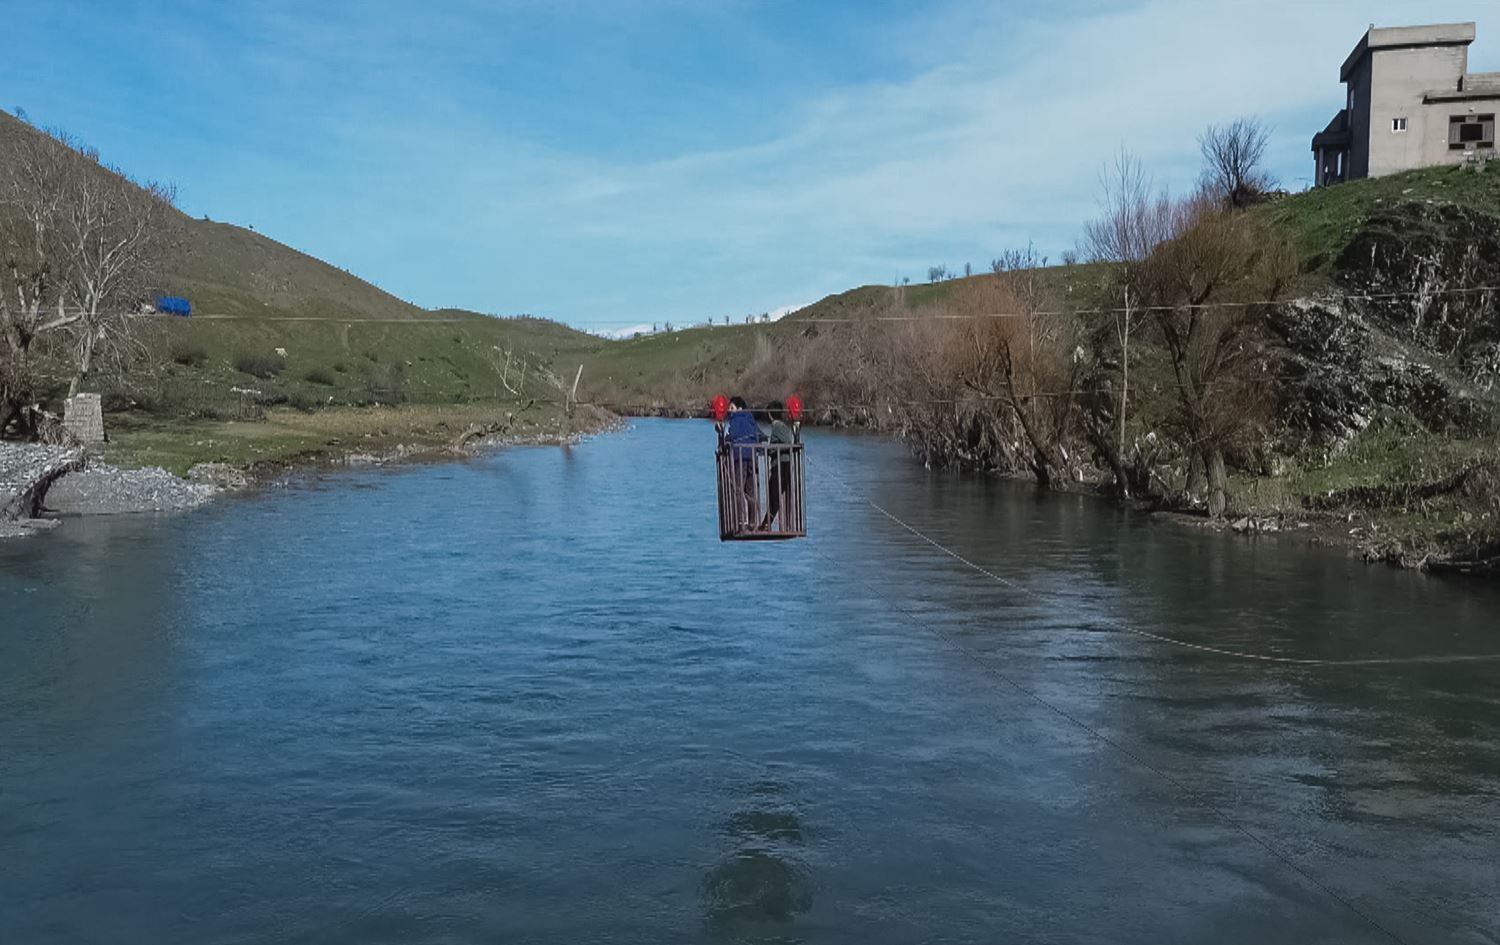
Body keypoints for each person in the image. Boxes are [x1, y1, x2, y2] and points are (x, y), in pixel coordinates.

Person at [721, 396, 764, 529]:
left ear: (739, 409)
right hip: (752, 458)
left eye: (732, 408)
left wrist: (724, 439)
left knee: (738, 489)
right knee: (751, 490)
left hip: (739, 458)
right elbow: (761, 435)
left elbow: (730, 436)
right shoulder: (750, 420)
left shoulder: (735, 420)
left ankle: (740, 521)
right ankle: (752, 521)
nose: (729, 411)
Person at [760, 400, 798, 531]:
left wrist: (771, 450)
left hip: (780, 466)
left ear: (771, 414)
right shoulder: (782, 426)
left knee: (774, 496)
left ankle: (766, 524)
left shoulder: (777, 426)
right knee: (773, 494)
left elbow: (788, 441)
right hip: (782, 465)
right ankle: (765, 523)